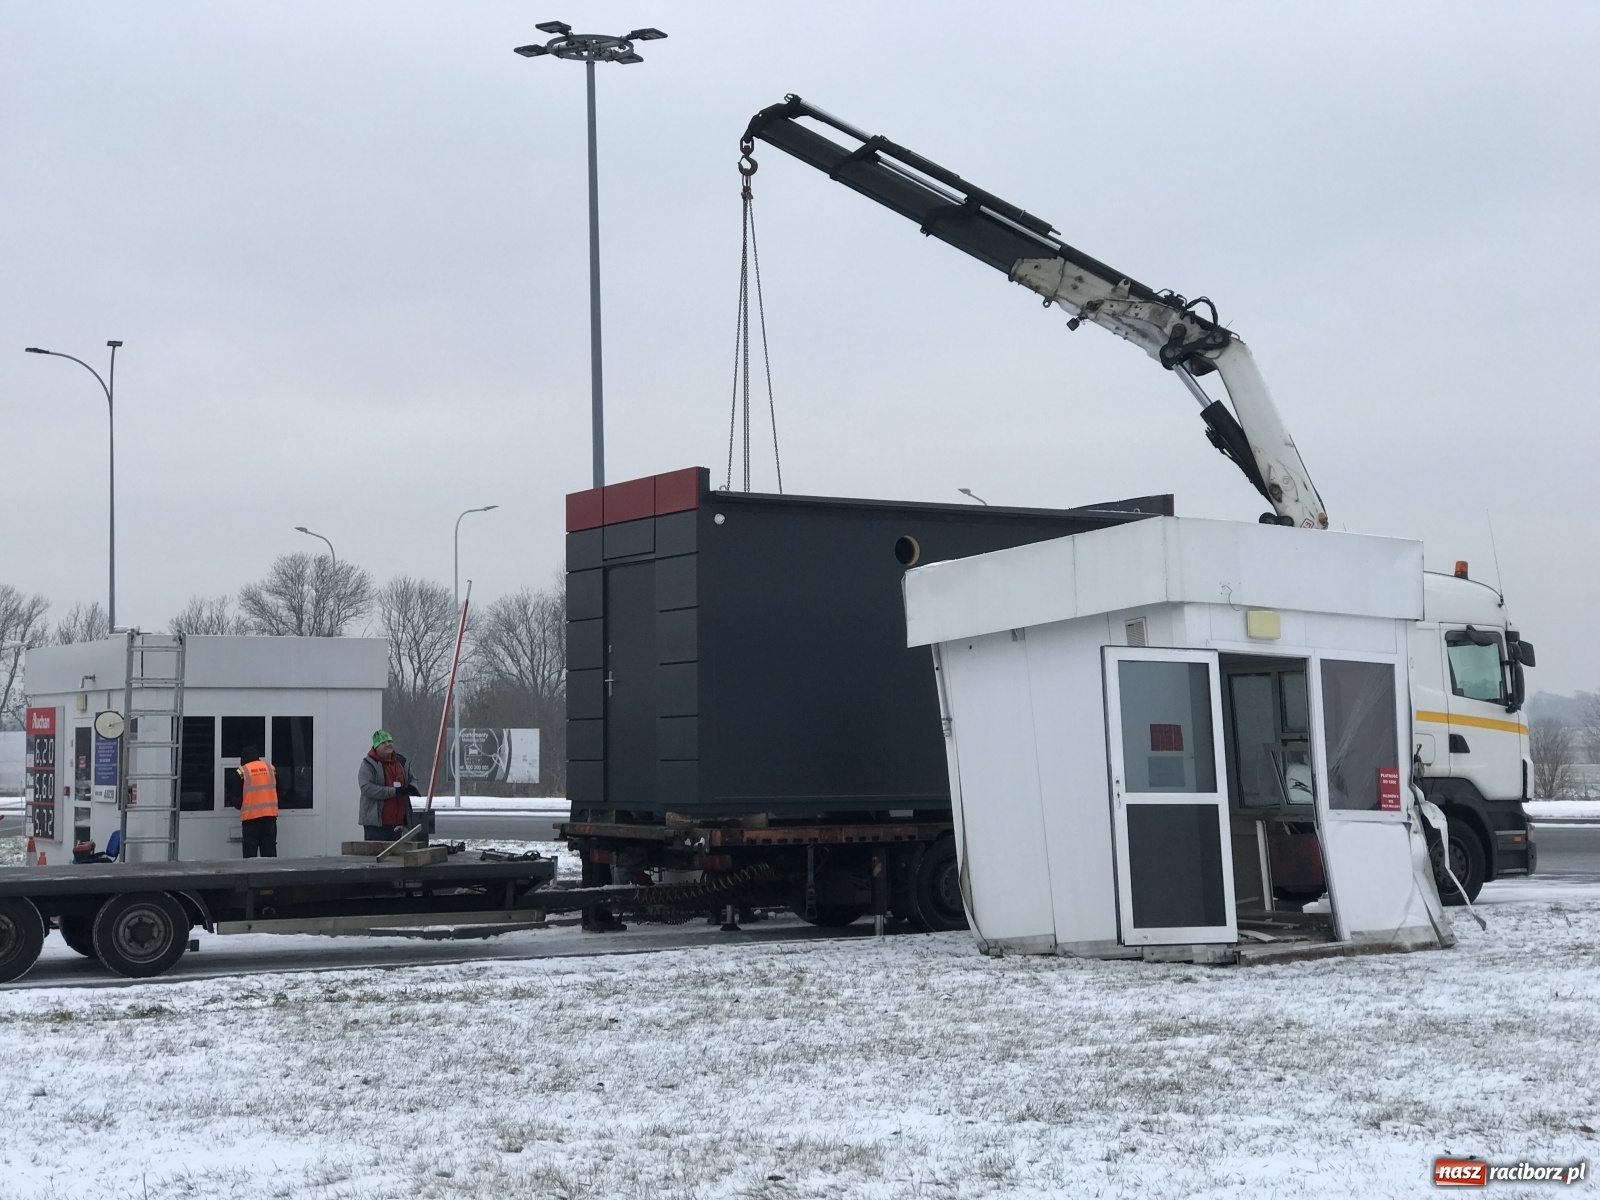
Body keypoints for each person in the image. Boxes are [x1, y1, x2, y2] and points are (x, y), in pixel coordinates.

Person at [358, 730, 420, 841]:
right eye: (383, 742)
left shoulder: (402, 762)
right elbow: (366, 788)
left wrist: (412, 787)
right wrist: (393, 791)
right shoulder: (368, 764)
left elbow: (413, 778)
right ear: (376, 746)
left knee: (396, 857)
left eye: (390, 741)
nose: (388, 744)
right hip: (376, 825)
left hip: (398, 824)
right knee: (375, 855)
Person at [235, 746, 279, 858]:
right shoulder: (271, 769)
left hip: (250, 820)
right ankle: (270, 875)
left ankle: (250, 876)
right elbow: (280, 792)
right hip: (269, 819)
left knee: (250, 857)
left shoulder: (241, 771)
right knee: (269, 854)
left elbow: (236, 798)